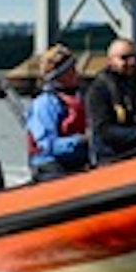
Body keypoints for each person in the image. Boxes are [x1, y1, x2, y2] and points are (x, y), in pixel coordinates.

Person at [85, 36, 136, 165]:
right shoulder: (99, 90)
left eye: (135, 57)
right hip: (113, 157)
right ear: (110, 60)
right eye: (124, 58)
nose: (132, 62)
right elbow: (103, 129)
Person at [25, 43, 89, 180]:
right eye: (71, 69)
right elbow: (47, 145)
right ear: (59, 75)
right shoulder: (45, 103)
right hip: (49, 165)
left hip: (78, 161)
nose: (76, 73)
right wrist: (79, 140)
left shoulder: (80, 97)